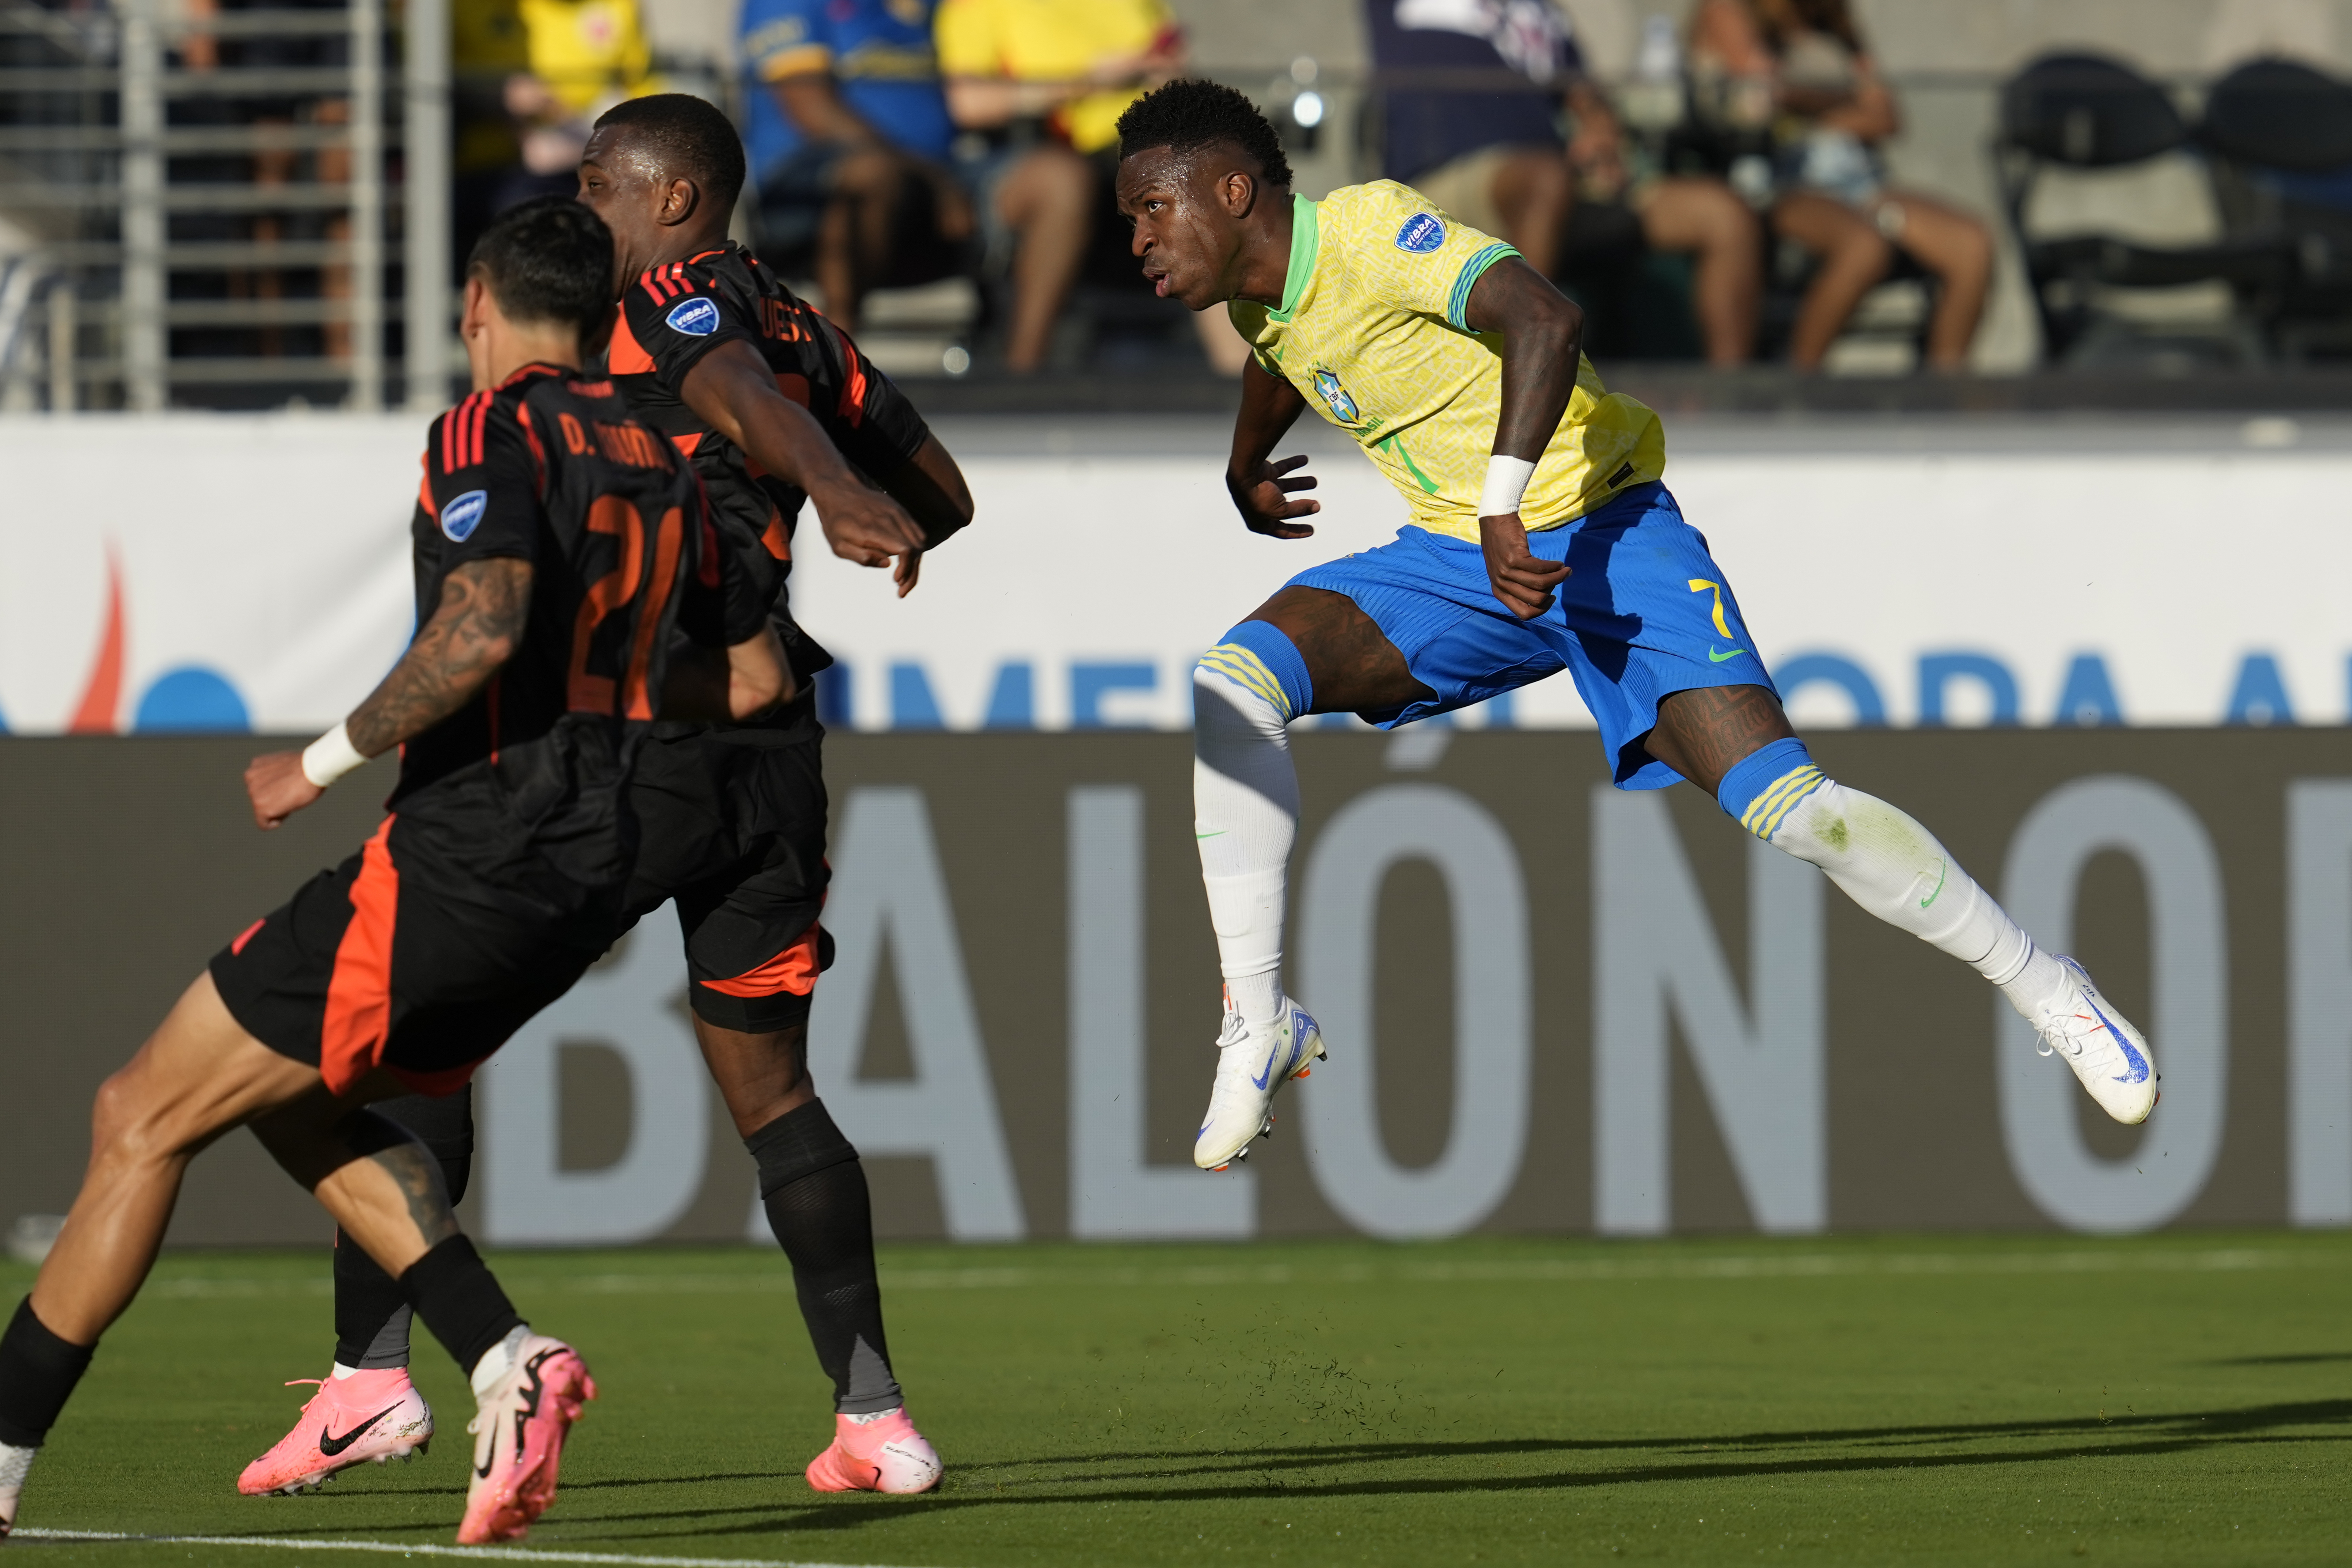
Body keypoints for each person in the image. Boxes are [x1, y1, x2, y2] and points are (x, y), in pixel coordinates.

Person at [1104, 80, 2159, 1177]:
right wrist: (1242, 464)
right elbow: (1293, 353)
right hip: (1460, 562)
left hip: (1600, 537)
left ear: (1232, 193)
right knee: (1234, 680)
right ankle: (1260, 1020)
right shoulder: (1258, 304)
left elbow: (1543, 317)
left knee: (1795, 814)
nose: (1134, 238)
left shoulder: (1370, 228)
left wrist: (1505, 498)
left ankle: (2046, 985)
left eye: (1149, 210)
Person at [0, 197, 787, 1546]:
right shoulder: (670, 444)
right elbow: (758, 676)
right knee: (294, 1098)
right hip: (593, 866)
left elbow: (482, 626)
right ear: (606, 310)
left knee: (140, 1110)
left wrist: (318, 759)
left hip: (468, 851)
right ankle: (497, 1353)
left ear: (475, 299)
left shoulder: (496, 426)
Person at [231, 93, 973, 1505]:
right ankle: (875, 1418)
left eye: (600, 181)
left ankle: (373, 1377)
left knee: (407, 1042)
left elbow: (734, 394)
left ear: (678, 201)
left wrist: (813, 473)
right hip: (776, 746)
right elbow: (940, 490)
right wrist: (855, 506)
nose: (581, 203)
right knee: (770, 1084)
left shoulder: (678, 295)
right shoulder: (799, 317)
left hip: (644, 728)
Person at [1366, 0, 1761, 366]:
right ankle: (1521, 376)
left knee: (1725, 214)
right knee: (1546, 180)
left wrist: (1601, 131)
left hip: (1553, 180)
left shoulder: (1540, 11)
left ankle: (1731, 396)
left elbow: (1582, 93)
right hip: (1445, 178)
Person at [934, 0, 1247, 373]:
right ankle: (1020, 376)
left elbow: (1170, 62)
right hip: (1058, 148)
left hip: (1150, 146)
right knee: (1161, 185)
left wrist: (1167, 76)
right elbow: (970, 103)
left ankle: (1248, 386)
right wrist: (1087, 81)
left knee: (1213, 180)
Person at [1688, 0, 1992, 370]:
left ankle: (1945, 396)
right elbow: (1763, 92)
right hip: (1779, 185)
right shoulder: (1730, 10)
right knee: (1864, 246)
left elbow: (1886, 118)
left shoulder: (1832, 19)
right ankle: (1801, 382)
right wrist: (1846, 97)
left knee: (1971, 245)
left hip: (1858, 183)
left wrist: (1813, 111)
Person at [739, 0, 972, 335]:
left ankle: (1024, 378)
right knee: (871, 174)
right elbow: (811, 106)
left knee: (1055, 178)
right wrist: (932, 178)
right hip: (810, 184)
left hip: (945, 175)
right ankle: (833, 357)